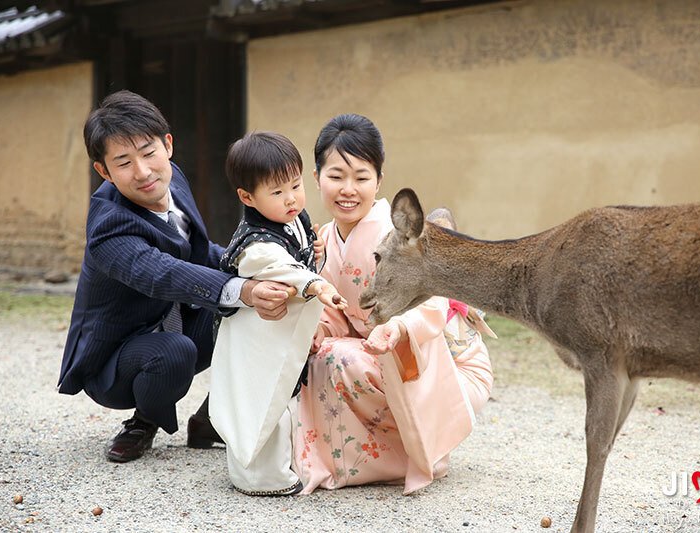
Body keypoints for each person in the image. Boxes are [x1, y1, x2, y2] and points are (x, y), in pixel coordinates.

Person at [58, 90, 293, 463]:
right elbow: (163, 273)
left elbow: (201, 254)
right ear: (103, 171)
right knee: (176, 352)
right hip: (116, 358)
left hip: (172, 320)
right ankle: (143, 422)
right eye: (123, 162)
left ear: (167, 145)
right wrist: (244, 289)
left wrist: (269, 269)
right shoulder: (108, 226)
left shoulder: (171, 179)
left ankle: (213, 419)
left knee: (259, 315)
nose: (143, 171)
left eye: (149, 152)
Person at [294, 113, 495, 494]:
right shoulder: (324, 237)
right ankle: (360, 459)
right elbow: (337, 312)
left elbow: (434, 305)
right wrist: (316, 330)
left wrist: (399, 327)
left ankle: (415, 453)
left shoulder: (396, 235)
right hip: (383, 356)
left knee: (340, 357)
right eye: (336, 176)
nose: (348, 189)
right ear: (317, 177)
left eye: (362, 177)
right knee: (319, 351)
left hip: (444, 366)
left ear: (379, 181)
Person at [209, 131, 347, 496]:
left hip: (282, 331)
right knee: (262, 398)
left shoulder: (294, 217)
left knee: (287, 396)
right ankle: (259, 478)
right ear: (247, 197)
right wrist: (318, 285)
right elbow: (280, 267)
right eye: (277, 192)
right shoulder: (254, 242)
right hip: (256, 335)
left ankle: (288, 463)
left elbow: (301, 260)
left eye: (296, 185)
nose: (291, 199)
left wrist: (315, 253)